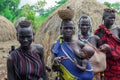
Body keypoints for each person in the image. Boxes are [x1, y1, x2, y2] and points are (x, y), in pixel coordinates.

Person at [51, 7, 94, 80]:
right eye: (66, 28)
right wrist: (55, 62)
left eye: (71, 28)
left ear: (74, 30)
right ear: (61, 29)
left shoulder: (80, 44)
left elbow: (88, 59)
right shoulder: (56, 45)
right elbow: (54, 69)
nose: (68, 30)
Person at [78, 15, 108, 80]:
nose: (84, 27)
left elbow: (101, 55)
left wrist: (102, 73)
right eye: (82, 25)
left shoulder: (95, 38)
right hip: (81, 73)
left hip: (95, 74)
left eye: (87, 25)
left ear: (90, 26)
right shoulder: (75, 40)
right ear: (79, 26)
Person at [94, 8, 120, 80]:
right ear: (103, 18)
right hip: (107, 66)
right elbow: (97, 51)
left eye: (114, 18)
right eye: (110, 18)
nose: (112, 20)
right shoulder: (99, 33)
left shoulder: (118, 30)